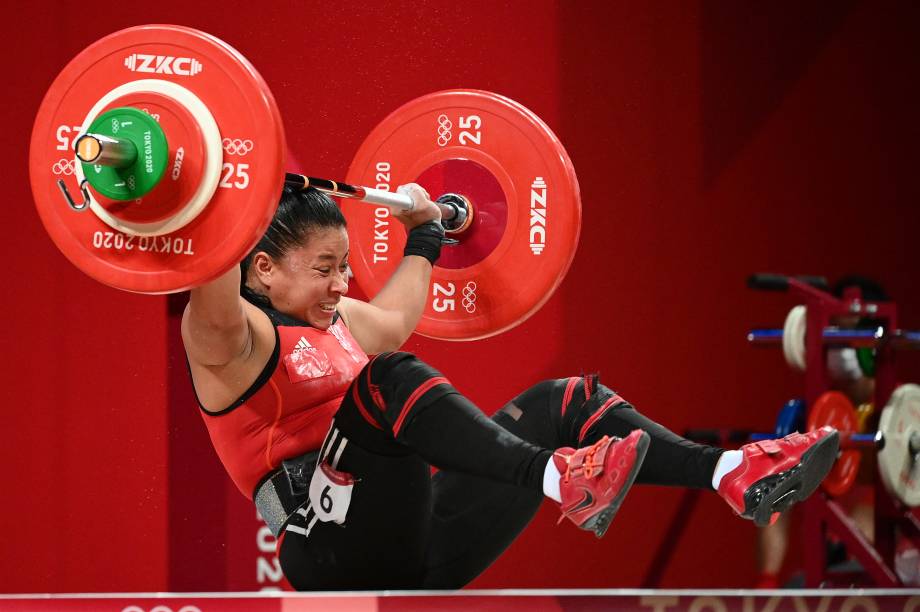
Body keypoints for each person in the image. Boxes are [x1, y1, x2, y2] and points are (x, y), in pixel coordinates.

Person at [182, 184, 840, 590]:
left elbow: (396, 316)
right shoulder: (235, 342)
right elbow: (212, 280)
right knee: (388, 379)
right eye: (325, 267)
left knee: (563, 401)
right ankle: (560, 478)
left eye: (345, 267)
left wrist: (428, 230)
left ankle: (729, 471)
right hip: (327, 551)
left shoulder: (342, 320)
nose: (340, 284)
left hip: (423, 547)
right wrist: (219, 190)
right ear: (263, 268)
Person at [754, 276, 887, 589]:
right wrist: (766, 585)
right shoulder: (812, 415)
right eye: (832, 335)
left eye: (848, 337)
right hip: (829, 568)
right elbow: (773, 497)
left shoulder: (900, 413)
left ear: (872, 349)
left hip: (889, 564)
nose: (839, 348)